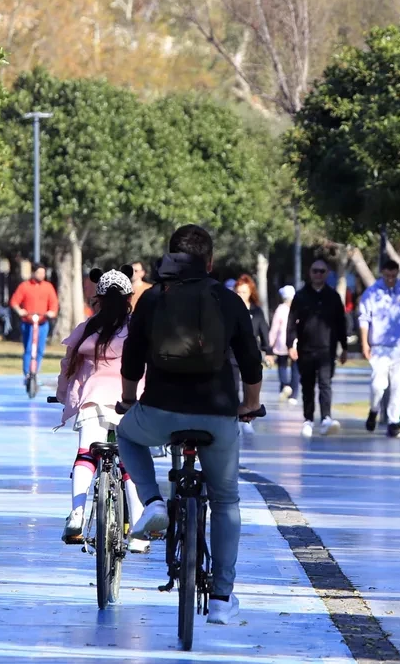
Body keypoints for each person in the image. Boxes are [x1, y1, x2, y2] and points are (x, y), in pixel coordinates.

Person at [117, 224, 264, 627]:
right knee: (226, 500)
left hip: (160, 411)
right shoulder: (228, 299)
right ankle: (221, 599)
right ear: (210, 261)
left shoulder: (152, 299)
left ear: (169, 256)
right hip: (217, 415)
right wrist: (249, 404)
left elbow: (132, 355)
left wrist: (130, 399)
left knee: (126, 434)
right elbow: (251, 360)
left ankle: (153, 502)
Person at [53, 267, 148, 552]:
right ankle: (140, 528)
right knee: (130, 462)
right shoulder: (137, 329)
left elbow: (67, 370)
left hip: (91, 401)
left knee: (86, 455)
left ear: (99, 298)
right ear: (130, 297)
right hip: (129, 403)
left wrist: (62, 397)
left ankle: (77, 515)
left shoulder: (86, 330)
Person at [287, 259, 348, 438]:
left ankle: (326, 418)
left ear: (327, 273)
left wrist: (344, 347)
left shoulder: (333, 296)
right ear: (310, 273)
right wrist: (291, 344)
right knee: (307, 385)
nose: (318, 274)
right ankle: (308, 419)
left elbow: (340, 323)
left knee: (325, 384)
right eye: (315, 271)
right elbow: (291, 322)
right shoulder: (301, 296)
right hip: (306, 349)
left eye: (322, 271)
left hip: (327, 349)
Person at [358, 258, 400, 438]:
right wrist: (364, 343)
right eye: (387, 275)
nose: (391, 279)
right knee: (378, 384)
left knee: (398, 384)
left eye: (394, 276)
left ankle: (393, 421)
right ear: (382, 273)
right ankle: (374, 409)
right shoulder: (372, 293)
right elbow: (364, 319)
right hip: (379, 346)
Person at [233, 274, 274, 434]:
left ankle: (248, 417)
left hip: (249, 353)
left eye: (244, 292)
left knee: (249, 385)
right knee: (233, 386)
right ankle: (234, 415)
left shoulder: (256, 312)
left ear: (250, 292)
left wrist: (268, 351)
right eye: (238, 292)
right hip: (231, 354)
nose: (240, 295)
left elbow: (263, 331)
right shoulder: (230, 309)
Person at [9, 263, 59, 384]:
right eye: (38, 273)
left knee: (40, 349)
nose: (41, 275)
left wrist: (51, 312)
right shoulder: (24, 286)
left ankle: (35, 372)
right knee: (28, 349)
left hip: (42, 323)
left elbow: (54, 303)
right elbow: (14, 301)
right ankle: (27, 373)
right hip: (28, 322)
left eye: (43, 273)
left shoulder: (48, 287)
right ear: (33, 273)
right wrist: (20, 311)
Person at [268, 285, 297, 404]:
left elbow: (274, 328)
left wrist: (270, 343)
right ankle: (294, 395)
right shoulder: (297, 308)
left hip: (281, 342)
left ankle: (284, 385)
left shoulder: (280, 309)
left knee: (282, 365)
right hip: (295, 342)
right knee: (296, 369)